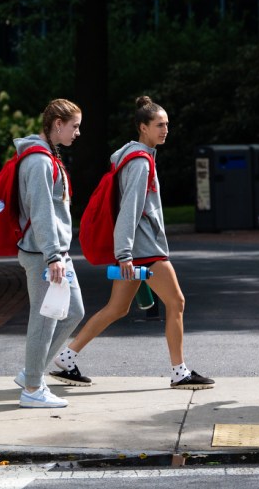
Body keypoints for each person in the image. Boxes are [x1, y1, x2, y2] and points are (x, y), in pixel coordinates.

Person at [50, 96, 214, 389]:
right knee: (176, 302)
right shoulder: (140, 162)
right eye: (159, 125)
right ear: (143, 127)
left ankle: (66, 357)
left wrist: (125, 252)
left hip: (136, 249)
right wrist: (124, 253)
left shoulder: (137, 156)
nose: (165, 130)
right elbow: (130, 209)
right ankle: (180, 372)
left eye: (167, 124)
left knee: (117, 308)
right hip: (144, 249)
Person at [14, 99, 86, 408]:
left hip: (54, 252)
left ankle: (31, 372)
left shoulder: (47, 157)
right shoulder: (39, 161)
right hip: (44, 254)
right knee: (44, 319)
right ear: (58, 124)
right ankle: (32, 388)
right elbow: (42, 213)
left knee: (74, 311)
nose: (78, 132)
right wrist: (53, 256)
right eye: (75, 126)